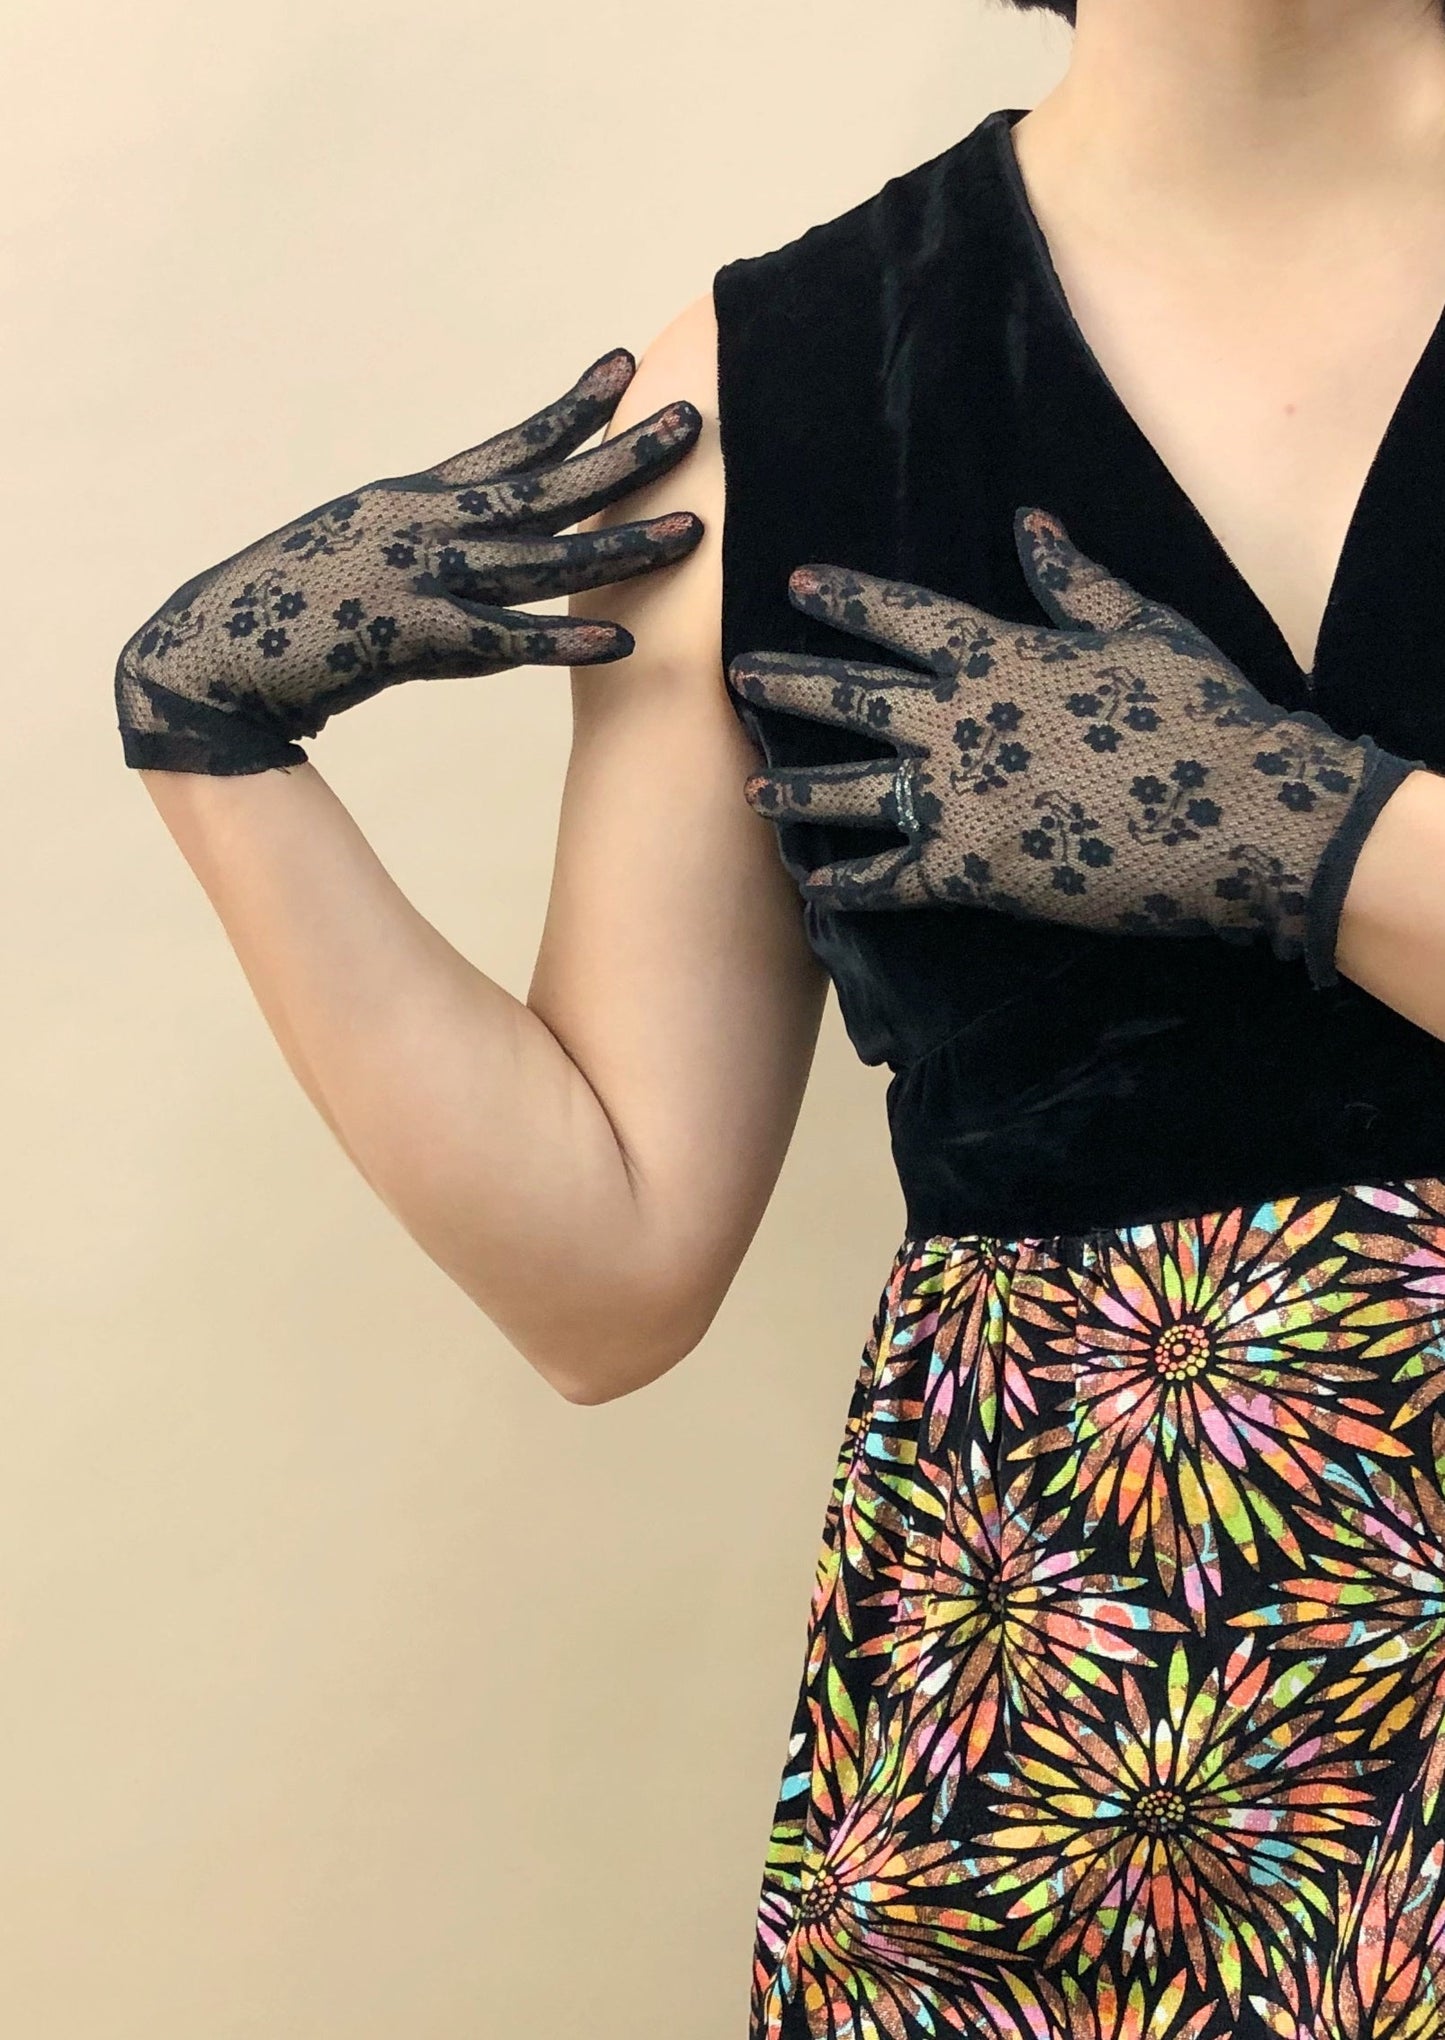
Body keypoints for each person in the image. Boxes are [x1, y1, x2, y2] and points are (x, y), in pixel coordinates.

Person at [114, 0, 1445, 2033]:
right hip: (1083, 1729)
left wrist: (1310, 836)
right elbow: (610, 1277)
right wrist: (213, 747)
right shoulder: (783, 381)